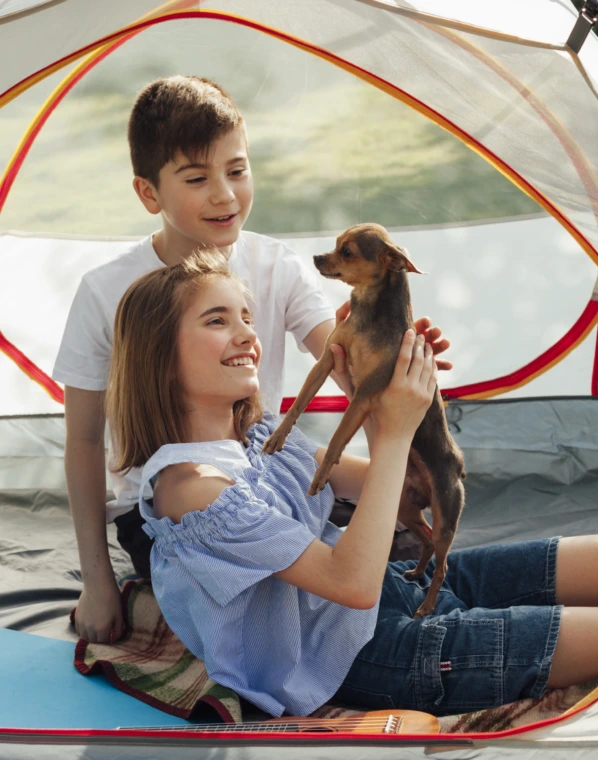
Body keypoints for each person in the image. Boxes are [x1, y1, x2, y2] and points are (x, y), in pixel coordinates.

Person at [106, 250, 598, 718]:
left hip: (401, 587)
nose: (246, 335)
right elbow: (349, 583)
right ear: (160, 357)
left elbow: (397, 487)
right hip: (374, 656)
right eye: (217, 320)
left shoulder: (255, 440)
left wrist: (394, 386)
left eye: (247, 318)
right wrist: (394, 429)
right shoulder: (193, 490)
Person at [53, 75, 450, 645]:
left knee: (410, 534)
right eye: (197, 178)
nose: (225, 195)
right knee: (323, 583)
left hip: (272, 483)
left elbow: (342, 360)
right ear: (149, 193)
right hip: (173, 512)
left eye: (237, 171)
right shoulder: (104, 291)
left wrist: (400, 361)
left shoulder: (276, 264)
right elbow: (85, 442)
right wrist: (96, 580)